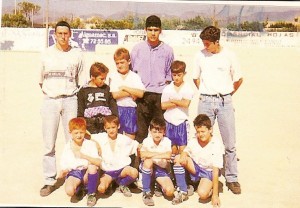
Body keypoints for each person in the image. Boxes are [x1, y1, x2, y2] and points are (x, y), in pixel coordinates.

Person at [192, 25, 243, 194]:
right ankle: (199, 175)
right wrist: (207, 93)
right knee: (200, 138)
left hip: (224, 102)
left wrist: (226, 94)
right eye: (203, 43)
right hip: (205, 100)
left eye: (208, 44)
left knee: (229, 142)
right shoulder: (200, 55)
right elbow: (195, 78)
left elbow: (238, 79)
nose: (205, 46)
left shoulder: (229, 56)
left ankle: (232, 178)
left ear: (217, 42)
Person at [39, 20, 84, 197]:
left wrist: (68, 95)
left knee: (72, 141)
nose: (63, 37)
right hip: (50, 100)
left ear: (70, 34)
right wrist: (52, 94)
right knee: (48, 143)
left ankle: (73, 178)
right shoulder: (46, 54)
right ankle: (49, 180)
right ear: (54, 35)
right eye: (60, 34)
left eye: (66, 33)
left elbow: (81, 80)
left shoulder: (77, 54)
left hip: (70, 100)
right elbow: (40, 80)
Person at [130, 14, 174, 144]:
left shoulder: (168, 50)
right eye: (150, 30)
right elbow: (132, 72)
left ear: (160, 31)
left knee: (159, 132)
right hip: (142, 96)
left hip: (159, 96)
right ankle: (140, 164)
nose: (153, 33)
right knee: (141, 133)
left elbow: (169, 75)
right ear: (145, 30)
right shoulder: (137, 49)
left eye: (156, 30)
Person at [173, 114, 224, 207]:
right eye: (198, 131)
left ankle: (210, 187)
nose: (200, 134)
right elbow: (186, 151)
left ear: (210, 129)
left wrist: (215, 195)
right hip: (196, 168)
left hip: (208, 172)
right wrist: (184, 155)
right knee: (178, 158)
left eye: (203, 131)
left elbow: (215, 170)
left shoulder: (216, 144)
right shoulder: (194, 140)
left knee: (202, 194)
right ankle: (183, 190)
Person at [91, 115, 139, 199]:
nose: (111, 130)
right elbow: (86, 135)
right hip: (108, 171)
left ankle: (122, 184)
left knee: (134, 172)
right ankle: (111, 183)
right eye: (108, 128)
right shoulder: (101, 137)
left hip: (121, 169)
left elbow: (137, 145)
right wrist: (97, 144)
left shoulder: (124, 139)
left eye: (113, 127)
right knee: (101, 189)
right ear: (105, 128)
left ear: (118, 126)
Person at [59, 117, 101, 207]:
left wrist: (84, 156)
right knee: (69, 191)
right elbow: (64, 164)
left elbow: (98, 162)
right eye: (76, 133)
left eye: (81, 132)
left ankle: (91, 193)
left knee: (92, 167)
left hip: (87, 172)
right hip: (75, 172)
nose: (79, 135)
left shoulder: (90, 144)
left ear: (85, 131)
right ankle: (81, 189)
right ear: (70, 133)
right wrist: (64, 171)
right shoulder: (67, 146)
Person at [161, 60, 195, 158]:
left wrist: (173, 101)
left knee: (183, 149)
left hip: (181, 122)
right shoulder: (167, 88)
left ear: (184, 74)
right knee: (171, 149)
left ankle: (182, 171)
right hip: (169, 121)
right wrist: (179, 101)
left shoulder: (188, 87)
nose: (176, 78)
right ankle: (171, 171)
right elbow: (163, 105)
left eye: (179, 75)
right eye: (174, 75)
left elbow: (186, 104)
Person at [110, 47, 145, 140]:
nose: (119, 65)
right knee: (117, 136)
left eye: (122, 62)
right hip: (118, 109)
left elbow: (140, 93)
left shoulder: (134, 76)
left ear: (129, 61)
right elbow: (115, 95)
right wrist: (132, 92)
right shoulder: (114, 76)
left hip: (131, 110)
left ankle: (129, 154)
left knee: (130, 136)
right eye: (117, 63)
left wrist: (125, 88)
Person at [139, 117, 176, 206]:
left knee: (170, 192)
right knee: (148, 162)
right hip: (149, 168)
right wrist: (159, 154)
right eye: (154, 132)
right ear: (150, 131)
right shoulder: (147, 140)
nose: (157, 134)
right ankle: (146, 192)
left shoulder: (167, 141)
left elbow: (168, 155)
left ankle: (158, 184)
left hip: (161, 169)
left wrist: (151, 154)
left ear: (164, 132)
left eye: (160, 132)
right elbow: (142, 154)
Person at [77, 62, 118, 134]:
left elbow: (113, 106)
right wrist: (82, 125)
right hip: (90, 123)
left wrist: (114, 118)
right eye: (101, 79)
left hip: (105, 122)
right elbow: (80, 109)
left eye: (105, 78)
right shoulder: (83, 90)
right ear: (93, 77)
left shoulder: (107, 89)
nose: (104, 81)